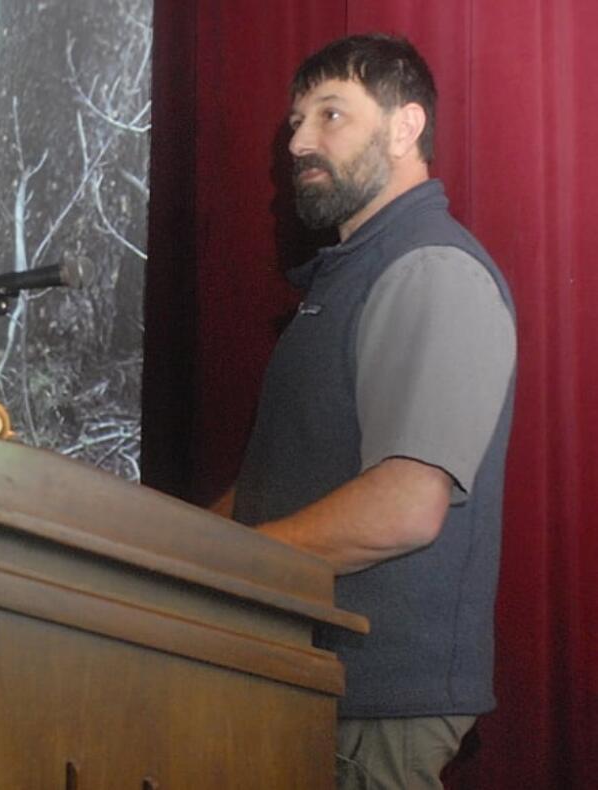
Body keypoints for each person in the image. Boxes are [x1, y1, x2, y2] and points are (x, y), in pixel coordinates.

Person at [211, 34, 517, 790]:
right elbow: (274, 489)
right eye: (295, 122)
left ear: (406, 128)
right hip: (312, 679)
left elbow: (405, 508)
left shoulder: (431, 268)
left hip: (374, 703)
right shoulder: (349, 277)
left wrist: (221, 566)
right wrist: (172, 541)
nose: (299, 141)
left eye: (331, 115)